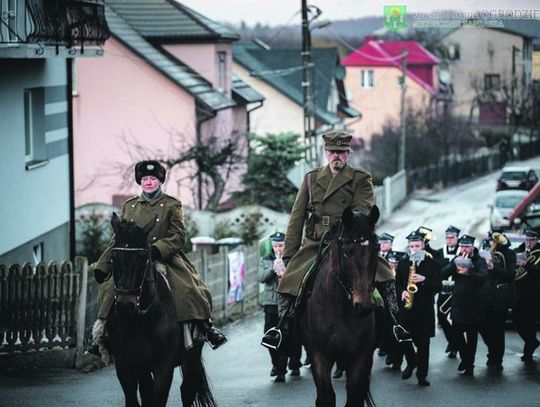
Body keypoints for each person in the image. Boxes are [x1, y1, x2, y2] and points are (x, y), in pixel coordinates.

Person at [261, 130, 397, 350]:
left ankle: (393, 323)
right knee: (289, 282)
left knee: (384, 274)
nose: (337, 156)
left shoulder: (361, 178)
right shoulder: (311, 178)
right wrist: (288, 254)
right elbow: (296, 219)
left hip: (349, 239)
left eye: (342, 152)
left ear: (348, 154)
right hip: (316, 242)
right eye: (333, 152)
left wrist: (347, 224)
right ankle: (282, 327)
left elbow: (363, 210)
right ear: (326, 153)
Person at [88, 160, 226, 357]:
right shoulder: (130, 206)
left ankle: (205, 327)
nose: (149, 182)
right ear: (140, 181)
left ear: (160, 181)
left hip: (164, 257)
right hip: (134, 259)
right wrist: (103, 265)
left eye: (153, 178)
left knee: (188, 287)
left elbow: (179, 236)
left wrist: (157, 250)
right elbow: (118, 239)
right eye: (145, 178)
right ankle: (101, 334)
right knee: (111, 288)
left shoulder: (171, 204)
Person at [395, 230, 442, 387]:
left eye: (417, 246)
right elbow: (397, 282)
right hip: (407, 309)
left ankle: (422, 376)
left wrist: (424, 280)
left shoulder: (433, 263)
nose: (414, 249)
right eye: (411, 246)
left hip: (424, 310)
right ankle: (411, 361)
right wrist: (401, 291)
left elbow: (438, 286)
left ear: (423, 246)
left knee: (423, 345)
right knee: (403, 338)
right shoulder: (403, 262)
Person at [258, 232, 302, 383]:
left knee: (288, 336)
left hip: (287, 302)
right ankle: (276, 364)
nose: (278, 248)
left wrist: (285, 267)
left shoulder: (292, 260)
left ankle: (289, 365)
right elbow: (261, 278)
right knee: (269, 336)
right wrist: (272, 268)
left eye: (280, 245)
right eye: (275, 245)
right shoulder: (265, 259)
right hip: (270, 303)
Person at [442, 234, 487, 376]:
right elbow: (443, 273)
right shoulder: (457, 259)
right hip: (458, 302)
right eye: (462, 246)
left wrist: (469, 272)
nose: (464, 249)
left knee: (472, 337)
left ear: (472, 247)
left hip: (474, 304)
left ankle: (469, 364)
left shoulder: (479, 261)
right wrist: (454, 264)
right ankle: (465, 358)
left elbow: (483, 277)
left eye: (467, 247)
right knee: (457, 334)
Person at [479, 232, 516, 371]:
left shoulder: (509, 254)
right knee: (483, 326)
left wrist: (493, 268)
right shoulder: (487, 253)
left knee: (498, 330)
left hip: (501, 296)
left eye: (494, 241)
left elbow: (511, 275)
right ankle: (492, 351)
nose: (492, 243)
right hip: (486, 295)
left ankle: (497, 358)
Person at [513, 229, 540, 362]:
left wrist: (527, 264)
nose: (528, 242)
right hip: (518, 292)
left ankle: (528, 352)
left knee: (531, 323)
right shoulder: (518, 251)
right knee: (516, 321)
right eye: (527, 239)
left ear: (537, 240)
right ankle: (532, 342)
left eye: (531, 240)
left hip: (534, 294)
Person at [436, 226, 461, 359]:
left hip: (458, 291)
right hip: (444, 291)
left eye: (452, 237)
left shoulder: (462, 252)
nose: (449, 240)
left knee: (456, 320)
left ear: (457, 238)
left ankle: (455, 347)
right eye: (447, 237)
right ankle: (452, 342)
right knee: (441, 318)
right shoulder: (440, 252)